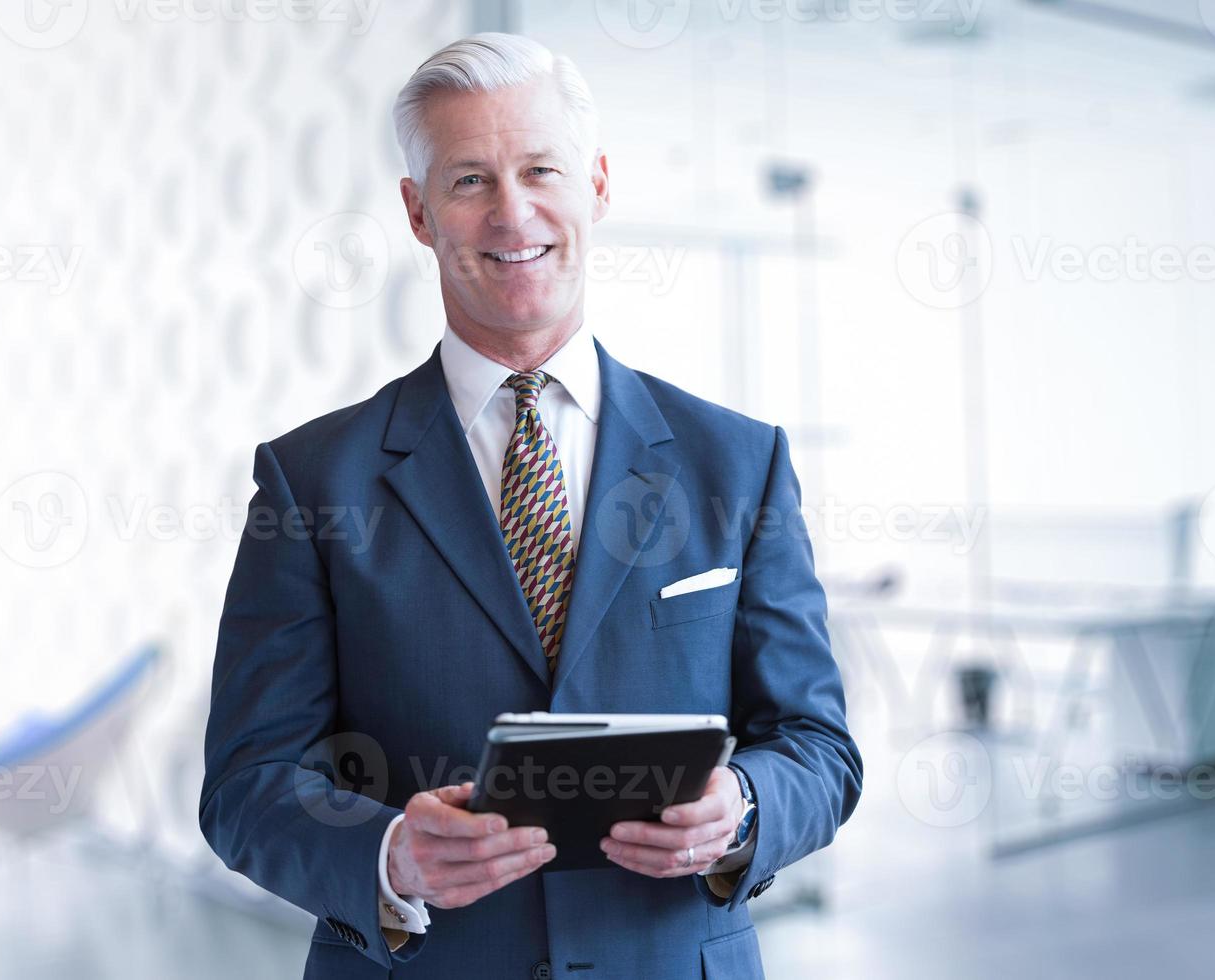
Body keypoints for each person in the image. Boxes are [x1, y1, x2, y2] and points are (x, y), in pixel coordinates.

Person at [200, 32, 861, 980]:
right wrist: (387, 855)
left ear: (596, 185)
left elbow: (818, 749)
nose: (513, 213)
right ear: (418, 212)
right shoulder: (312, 480)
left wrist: (744, 808)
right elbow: (248, 784)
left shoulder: (737, 462)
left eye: (540, 169)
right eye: (468, 180)